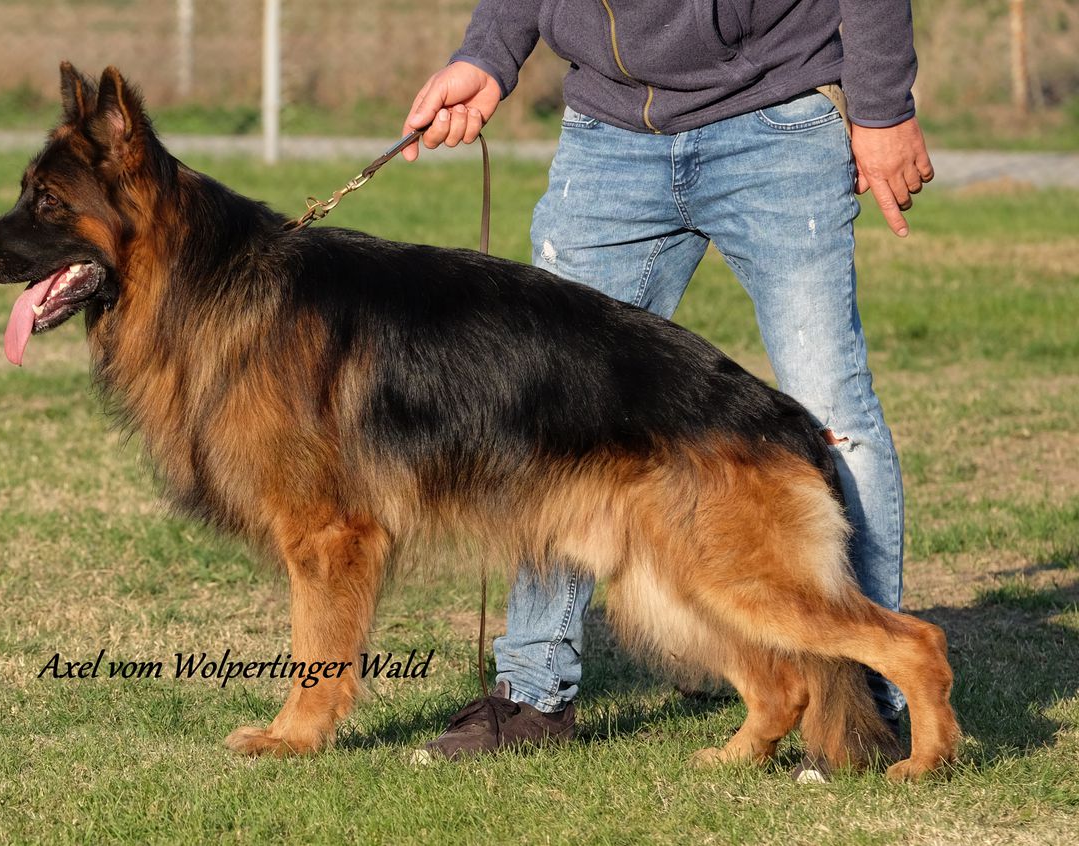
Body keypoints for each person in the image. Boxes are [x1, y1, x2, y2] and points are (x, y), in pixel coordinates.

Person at [400, 0, 933, 771]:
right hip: (607, 134)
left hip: (773, 114)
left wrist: (882, 108)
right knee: (554, 423)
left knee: (831, 412)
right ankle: (533, 693)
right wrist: (487, 55)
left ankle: (871, 698)